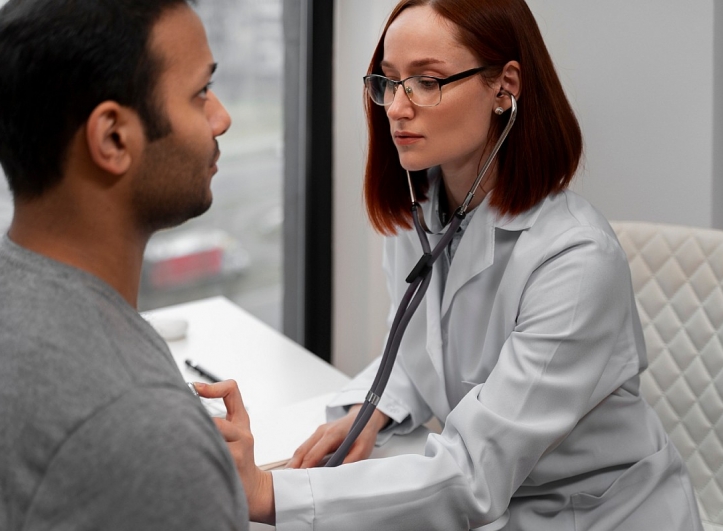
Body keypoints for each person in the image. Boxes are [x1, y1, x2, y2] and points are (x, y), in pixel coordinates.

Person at [199, 0, 704, 529]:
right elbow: (428, 347)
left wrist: (269, 494)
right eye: (389, 82)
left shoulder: (576, 262)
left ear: (504, 87)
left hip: (601, 515)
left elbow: (471, 476)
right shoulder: (421, 214)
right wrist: (373, 408)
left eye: (427, 81)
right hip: (510, 504)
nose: (396, 106)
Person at [0, 0, 248, 529]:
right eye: (200, 93)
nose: (221, 117)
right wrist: (187, 469)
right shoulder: (146, 439)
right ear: (112, 138)